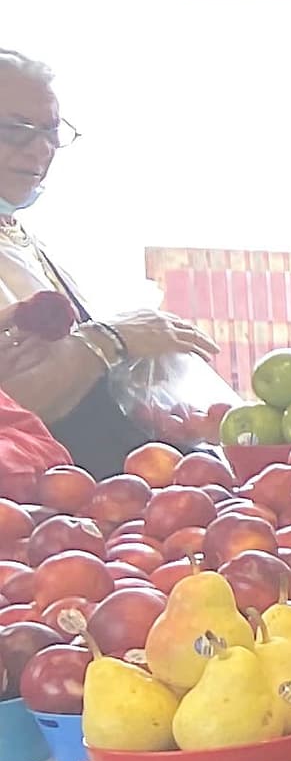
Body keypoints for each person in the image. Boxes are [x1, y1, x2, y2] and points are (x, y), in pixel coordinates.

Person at [0, 51, 221, 470]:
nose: (41, 150)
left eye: (51, 132)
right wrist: (112, 340)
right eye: (16, 131)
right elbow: (15, 403)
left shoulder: (20, 236)